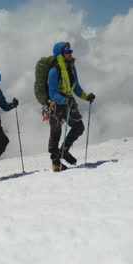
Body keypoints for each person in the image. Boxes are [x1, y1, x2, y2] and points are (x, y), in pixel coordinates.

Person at [47, 42, 96, 171]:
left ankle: (64, 150)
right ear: (61, 55)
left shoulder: (71, 68)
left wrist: (86, 96)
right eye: (67, 52)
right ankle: (55, 162)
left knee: (79, 127)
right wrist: (64, 100)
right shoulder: (54, 71)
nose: (70, 54)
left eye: (70, 51)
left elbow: (76, 87)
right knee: (56, 132)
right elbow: (52, 93)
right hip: (56, 104)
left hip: (68, 101)